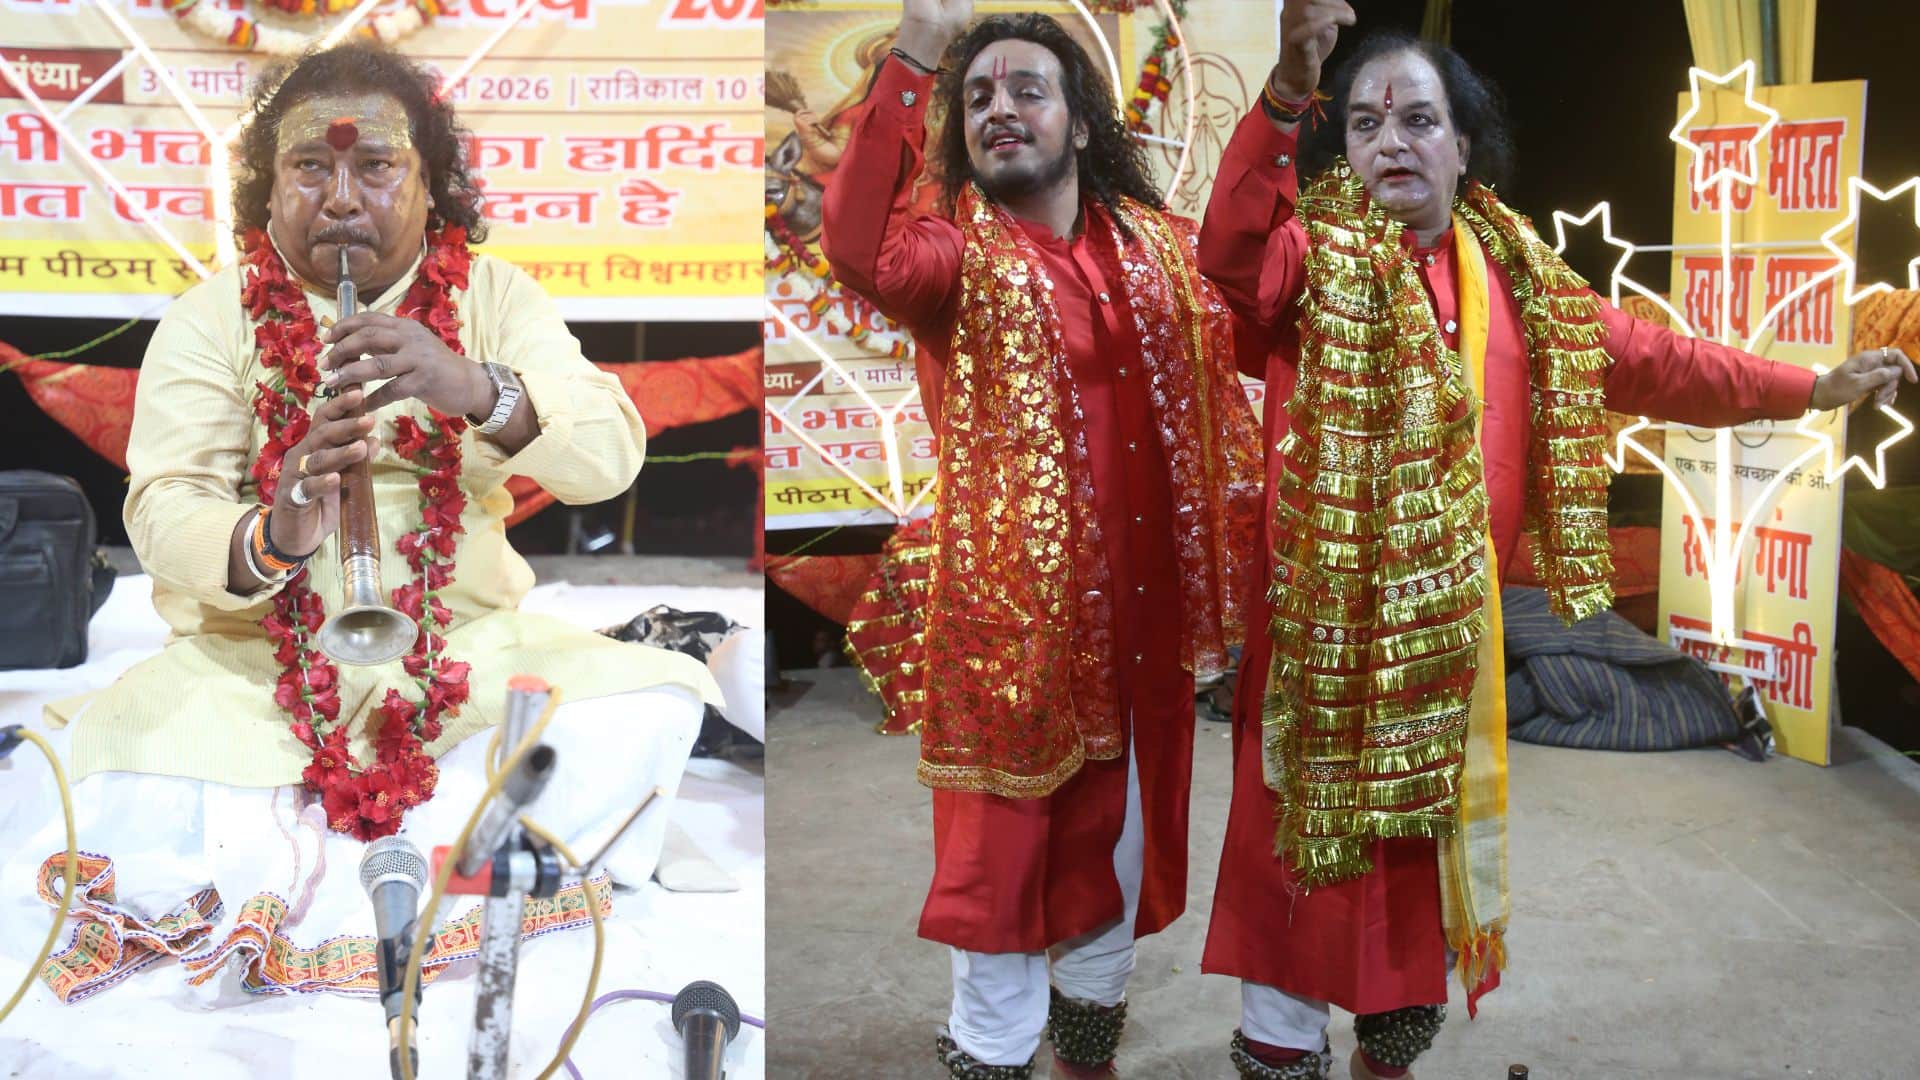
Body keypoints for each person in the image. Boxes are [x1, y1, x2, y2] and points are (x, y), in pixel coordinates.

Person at [1196, 5, 1917, 1079]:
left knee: (1410, 912)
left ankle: (1386, 1053)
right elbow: (1229, 254)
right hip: (1319, 658)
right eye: (1363, 124)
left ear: (1464, 145)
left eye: (1418, 119)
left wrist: (1813, 385)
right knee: (1296, 889)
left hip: (1450, 661)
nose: (1391, 141)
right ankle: (1282, 1050)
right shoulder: (1305, 265)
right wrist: (1286, 89)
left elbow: (1665, 365)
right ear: (1339, 148)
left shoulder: (1521, 283)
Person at [3, 42, 721, 1002]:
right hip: (252, 667)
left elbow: (611, 457)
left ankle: (320, 852)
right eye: (310, 167)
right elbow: (163, 505)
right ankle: (409, 849)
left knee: (653, 709)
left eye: (376, 166)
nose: (341, 196)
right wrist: (275, 529)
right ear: (269, 189)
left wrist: (475, 386)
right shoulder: (213, 318)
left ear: (432, 189)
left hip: (463, 651)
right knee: (106, 787)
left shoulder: (495, 299)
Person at [819, 1, 1265, 1075]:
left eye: (1028, 90)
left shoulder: (1155, 249)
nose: (1000, 109)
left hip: (1147, 620)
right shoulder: (946, 256)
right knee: (1002, 872)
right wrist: (919, 52)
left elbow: (1253, 300)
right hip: (1009, 633)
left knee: (1114, 862)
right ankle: (994, 1052)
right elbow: (853, 245)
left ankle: (1086, 1053)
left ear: (1079, 118)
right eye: (977, 97)